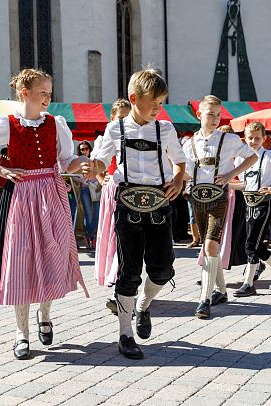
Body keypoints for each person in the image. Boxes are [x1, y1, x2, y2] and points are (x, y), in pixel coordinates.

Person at [0, 68, 88, 360]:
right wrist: (2, 169)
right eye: (42, 93)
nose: (48, 98)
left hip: (51, 192)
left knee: (50, 256)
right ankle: (21, 333)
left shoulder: (56, 124)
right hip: (20, 196)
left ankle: (45, 315)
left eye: (50, 92)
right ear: (25, 94)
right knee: (19, 262)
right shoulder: (7, 124)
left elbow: (66, 161)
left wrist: (82, 164)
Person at [88, 69, 186, 360]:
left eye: (161, 102)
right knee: (128, 271)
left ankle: (143, 305)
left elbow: (180, 162)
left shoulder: (166, 129)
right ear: (134, 99)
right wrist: (92, 168)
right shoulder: (115, 128)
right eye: (154, 102)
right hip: (127, 203)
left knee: (163, 269)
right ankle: (125, 333)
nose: (159, 108)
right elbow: (100, 162)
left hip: (159, 203)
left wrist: (179, 180)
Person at [184, 95, 257, 319]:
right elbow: (185, 171)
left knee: (210, 246)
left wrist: (230, 175)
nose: (215, 119)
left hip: (218, 199)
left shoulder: (229, 140)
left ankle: (204, 300)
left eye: (218, 115)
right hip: (196, 198)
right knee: (209, 246)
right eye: (210, 114)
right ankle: (222, 291)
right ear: (199, 115)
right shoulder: (189, 143)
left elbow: (251, 157)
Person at [230, 122, 271, 297]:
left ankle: (249, 284)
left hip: (263, 204)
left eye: (257, 138)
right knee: (256, 245)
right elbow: (245, 184)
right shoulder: (241, 158)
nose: (253, 141)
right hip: (248, 203)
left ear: (264, 139)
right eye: (250, 137)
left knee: (251, 245)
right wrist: (224, 183)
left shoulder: (270, 156)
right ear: (244, 138)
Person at [93, 98, 131, 315]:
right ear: (112, 118)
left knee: (127, 239)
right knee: (114, 237)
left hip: (132, 190)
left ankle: (123, 287)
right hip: (114, 191)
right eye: (120, 117)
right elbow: (97, 163)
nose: (124, 121)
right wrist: (101, 179)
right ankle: (117, 287)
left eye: (127, 117)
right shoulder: (106, 137)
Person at [72, 140, 99, 249]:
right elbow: (71, 174)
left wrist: (99, 183)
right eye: (82, 149)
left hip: (96, 188)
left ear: (89, 149)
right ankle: (91, 238)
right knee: (88, 215)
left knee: (97, 214)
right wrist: (82, 179)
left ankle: (89, 236)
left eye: (86, 148)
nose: (84, 151)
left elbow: (101, 171)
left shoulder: (95, 159)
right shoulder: (76, 161)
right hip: (84, 189)